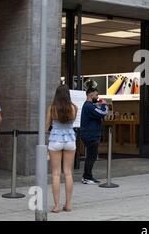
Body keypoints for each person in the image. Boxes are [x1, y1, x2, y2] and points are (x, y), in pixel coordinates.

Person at [46, 85, 78, 213]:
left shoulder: (52, 108)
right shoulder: (74, 107)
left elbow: (46, 126)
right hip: (70, 139)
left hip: (55, 140)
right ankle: (68, 205)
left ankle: (56, 206)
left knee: (56, 174)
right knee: (68, 173)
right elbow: (72, 122)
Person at [80, 87, 109, 184]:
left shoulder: (90, 105)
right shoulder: (89, 106)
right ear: (90, 95)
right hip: (91, 135)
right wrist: (104, 104)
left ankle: (88, 176)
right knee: (91, 156)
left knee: (91, 156)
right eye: (96, 95)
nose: (97, 97)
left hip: (91, 134)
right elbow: (103, 112)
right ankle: (86, 177)